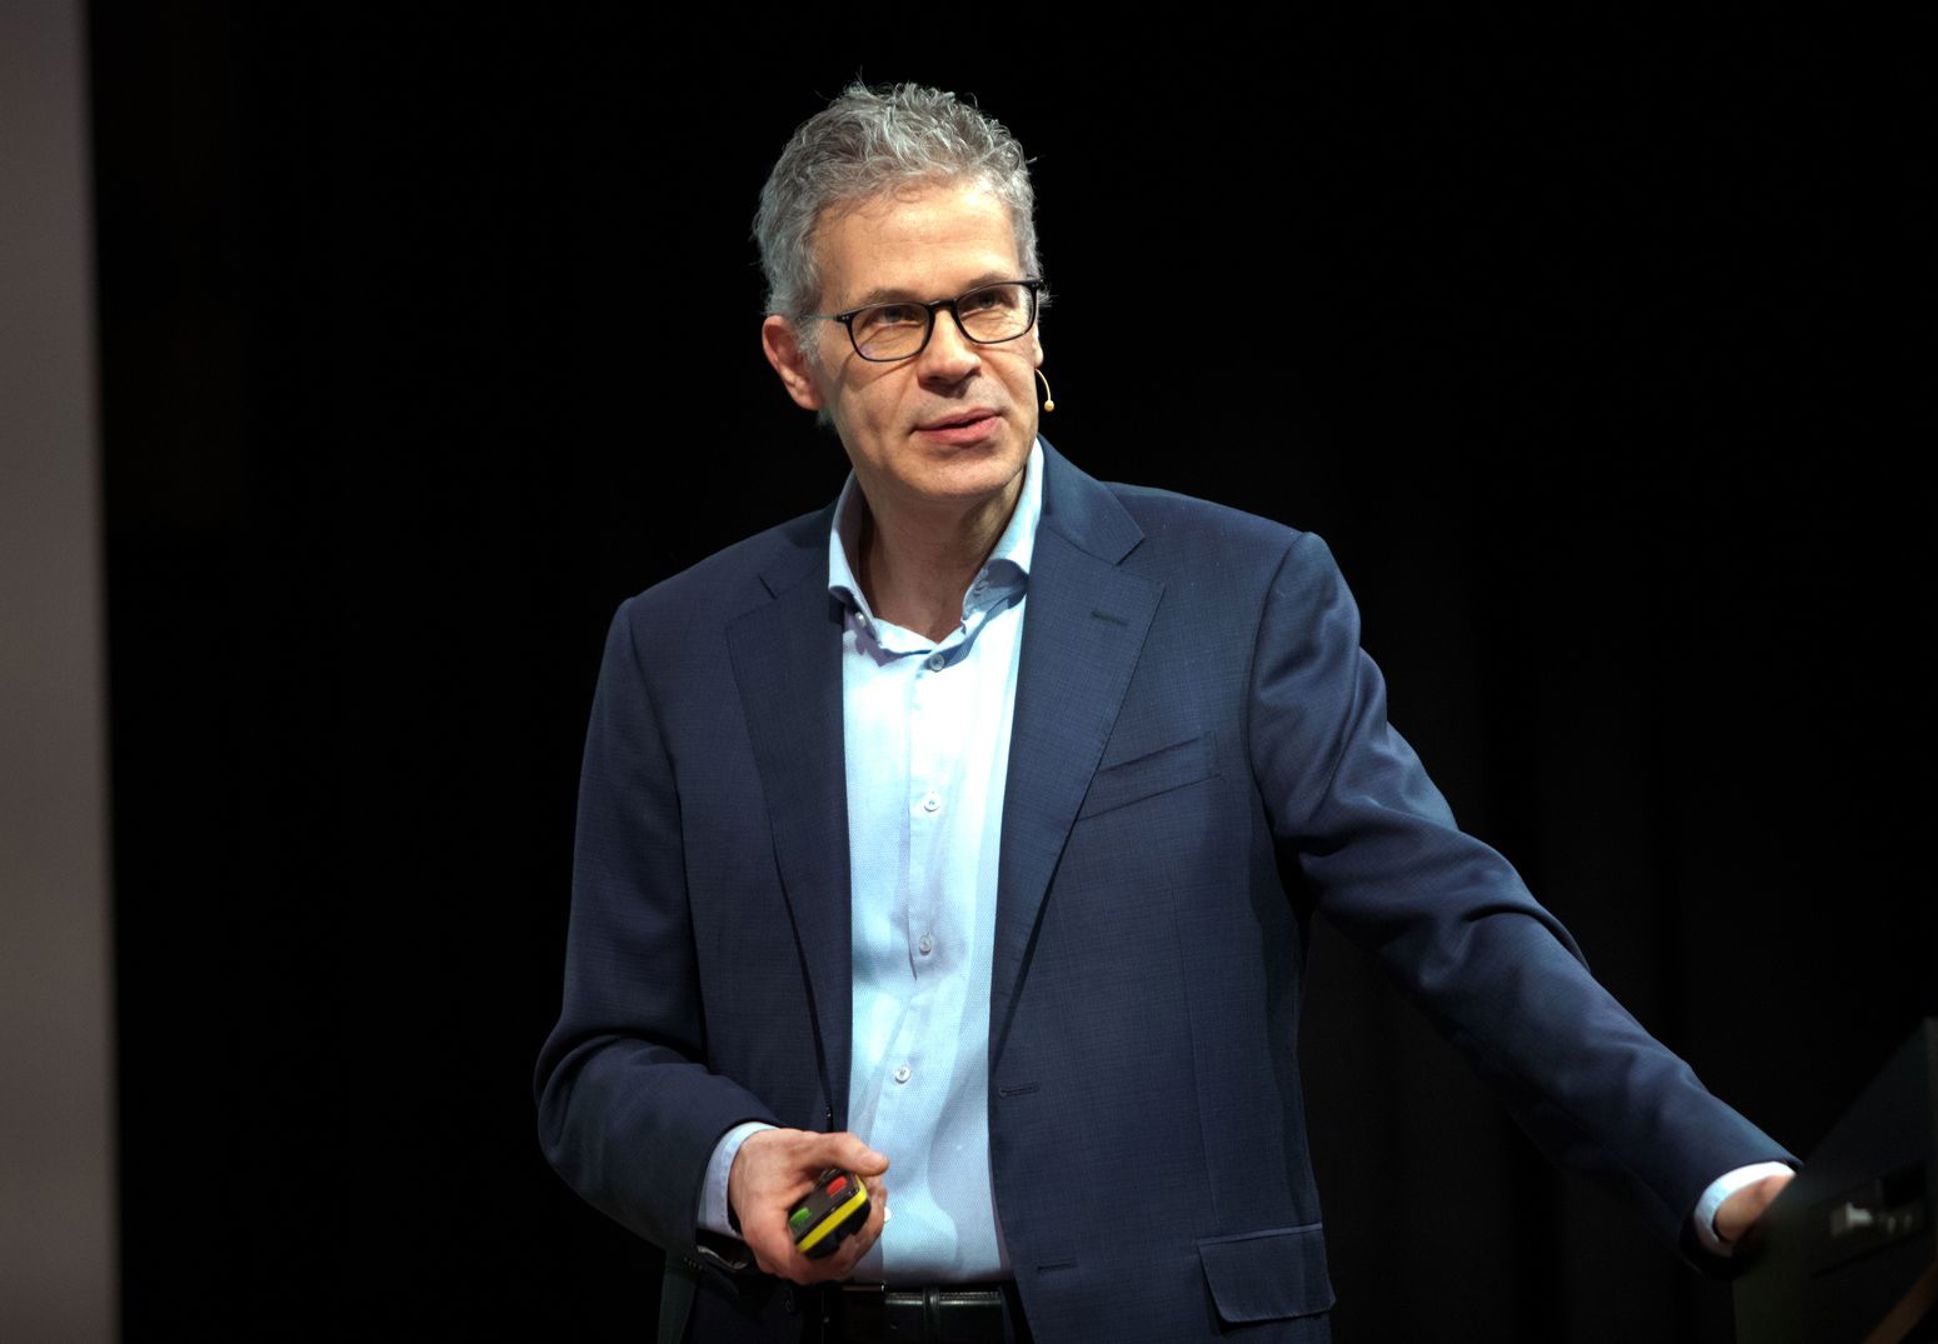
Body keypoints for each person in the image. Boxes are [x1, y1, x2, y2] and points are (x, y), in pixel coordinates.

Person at [534, 82, 1796, 1344]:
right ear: (794, 360)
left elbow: (1457, 925)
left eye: (988, 300)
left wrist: (1716, 1172)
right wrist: (728, 1161)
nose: (954, 356)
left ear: (1034, 320)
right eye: (889, 320)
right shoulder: (676, 649)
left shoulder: (1240, 597)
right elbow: (599, 1064)